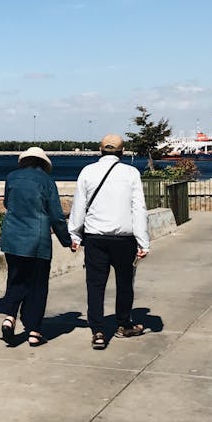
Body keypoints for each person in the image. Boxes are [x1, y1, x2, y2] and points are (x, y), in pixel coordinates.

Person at [68, 133, 149, 350]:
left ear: (100, 150)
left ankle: (98, 331)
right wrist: (143, 242)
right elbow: (138, 209)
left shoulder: (88, 171)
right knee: (125, 284)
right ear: (122, 152)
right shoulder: (131, 173)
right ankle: (123, 324)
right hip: (125, 240)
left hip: (95, 239)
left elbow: (79, 207)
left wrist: (75, 235)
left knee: (95, 285)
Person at [0, 146, 72, 347]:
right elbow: (56, 215)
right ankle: (34, 331)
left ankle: (9, 317)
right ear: (43, 163)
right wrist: (67, 240)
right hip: (37, 241)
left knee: (15, 279)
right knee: (37, 286)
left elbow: (7, 203)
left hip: (12, 239)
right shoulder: (47, 181)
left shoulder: (11, 177)